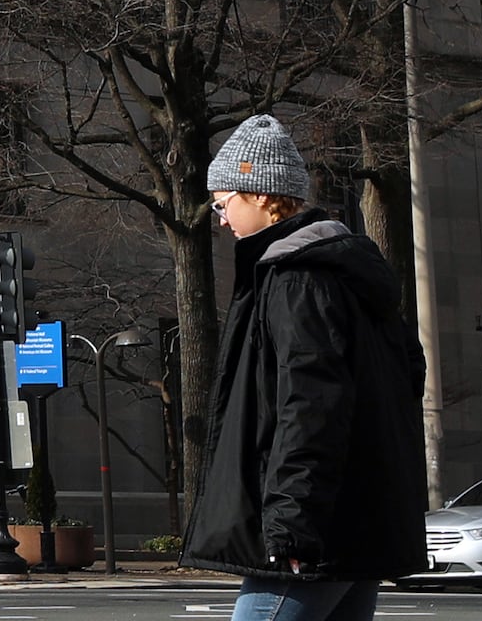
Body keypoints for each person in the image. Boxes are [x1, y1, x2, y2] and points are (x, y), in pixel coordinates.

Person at [181, 115, 428, 621]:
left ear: (263, 196)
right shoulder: (347, 276)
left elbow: (311, 404)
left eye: (224, 204)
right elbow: (406, 375)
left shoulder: (296, 281)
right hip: (358, 518)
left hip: (317, 529)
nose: (221, 220)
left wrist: (293, 521)